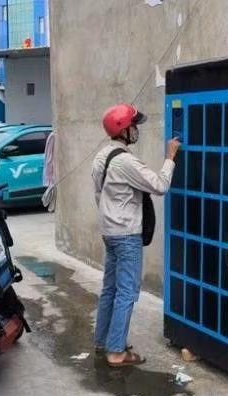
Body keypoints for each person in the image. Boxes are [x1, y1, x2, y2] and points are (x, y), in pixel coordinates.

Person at [91, 103, 181, 367]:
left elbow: (99, 195)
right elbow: (159, 185)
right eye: (133, 126)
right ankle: (116, 351)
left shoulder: (101, 157)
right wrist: (170, 156)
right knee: (127, 293)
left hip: (110, 232)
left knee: (110, 288)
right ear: (124, 130)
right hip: (127, 234)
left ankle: (103, 339)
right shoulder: (125, 161)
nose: (136, 130)